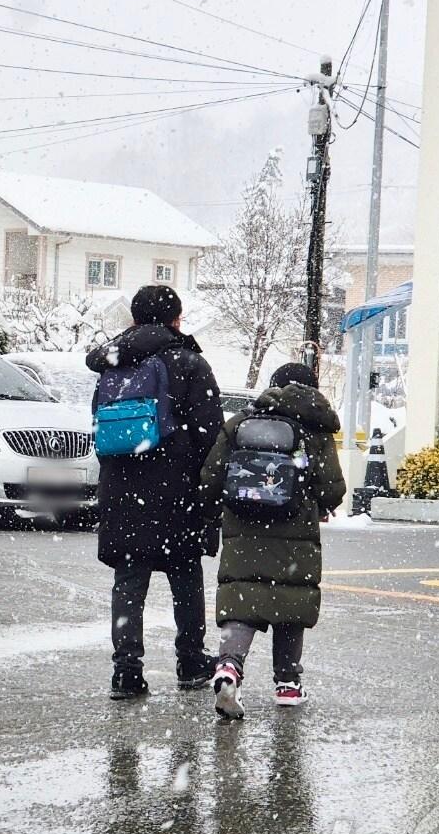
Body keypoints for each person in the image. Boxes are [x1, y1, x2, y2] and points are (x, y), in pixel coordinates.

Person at [86, 284, 224, 700]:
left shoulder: (113, 362)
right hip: (176, 488)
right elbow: (209, 433)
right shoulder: (189, 362)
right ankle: (191, 660)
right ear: (176, 319)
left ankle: (126, 671)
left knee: (129, 579)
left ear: (134, 319)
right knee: (185, 575)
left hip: (122, 486)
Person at [199, 362, 346, 718]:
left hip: (243, 530)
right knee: (290, 606)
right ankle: (287, 684)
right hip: (296, 534)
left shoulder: (241, 423)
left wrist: (218, 506)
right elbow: (333, 489)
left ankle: (229, 666)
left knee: (242, 603)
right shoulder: (315, 430)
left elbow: (210, 478)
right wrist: (318, 501)